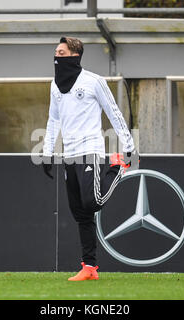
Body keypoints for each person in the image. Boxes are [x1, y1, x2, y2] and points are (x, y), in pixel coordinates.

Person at [42, 37, 137, 281]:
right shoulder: (55, 85)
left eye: (61, 52)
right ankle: (90, 268)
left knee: (93, 201)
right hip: (69, 155)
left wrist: (128, 145)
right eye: (55, 52)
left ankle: (118, 169)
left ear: (74, 55)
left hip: (90, 150)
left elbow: (113, 112)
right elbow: (54, 120)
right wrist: (47, 151)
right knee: (80, 214)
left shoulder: (94, 81)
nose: (56, 57)